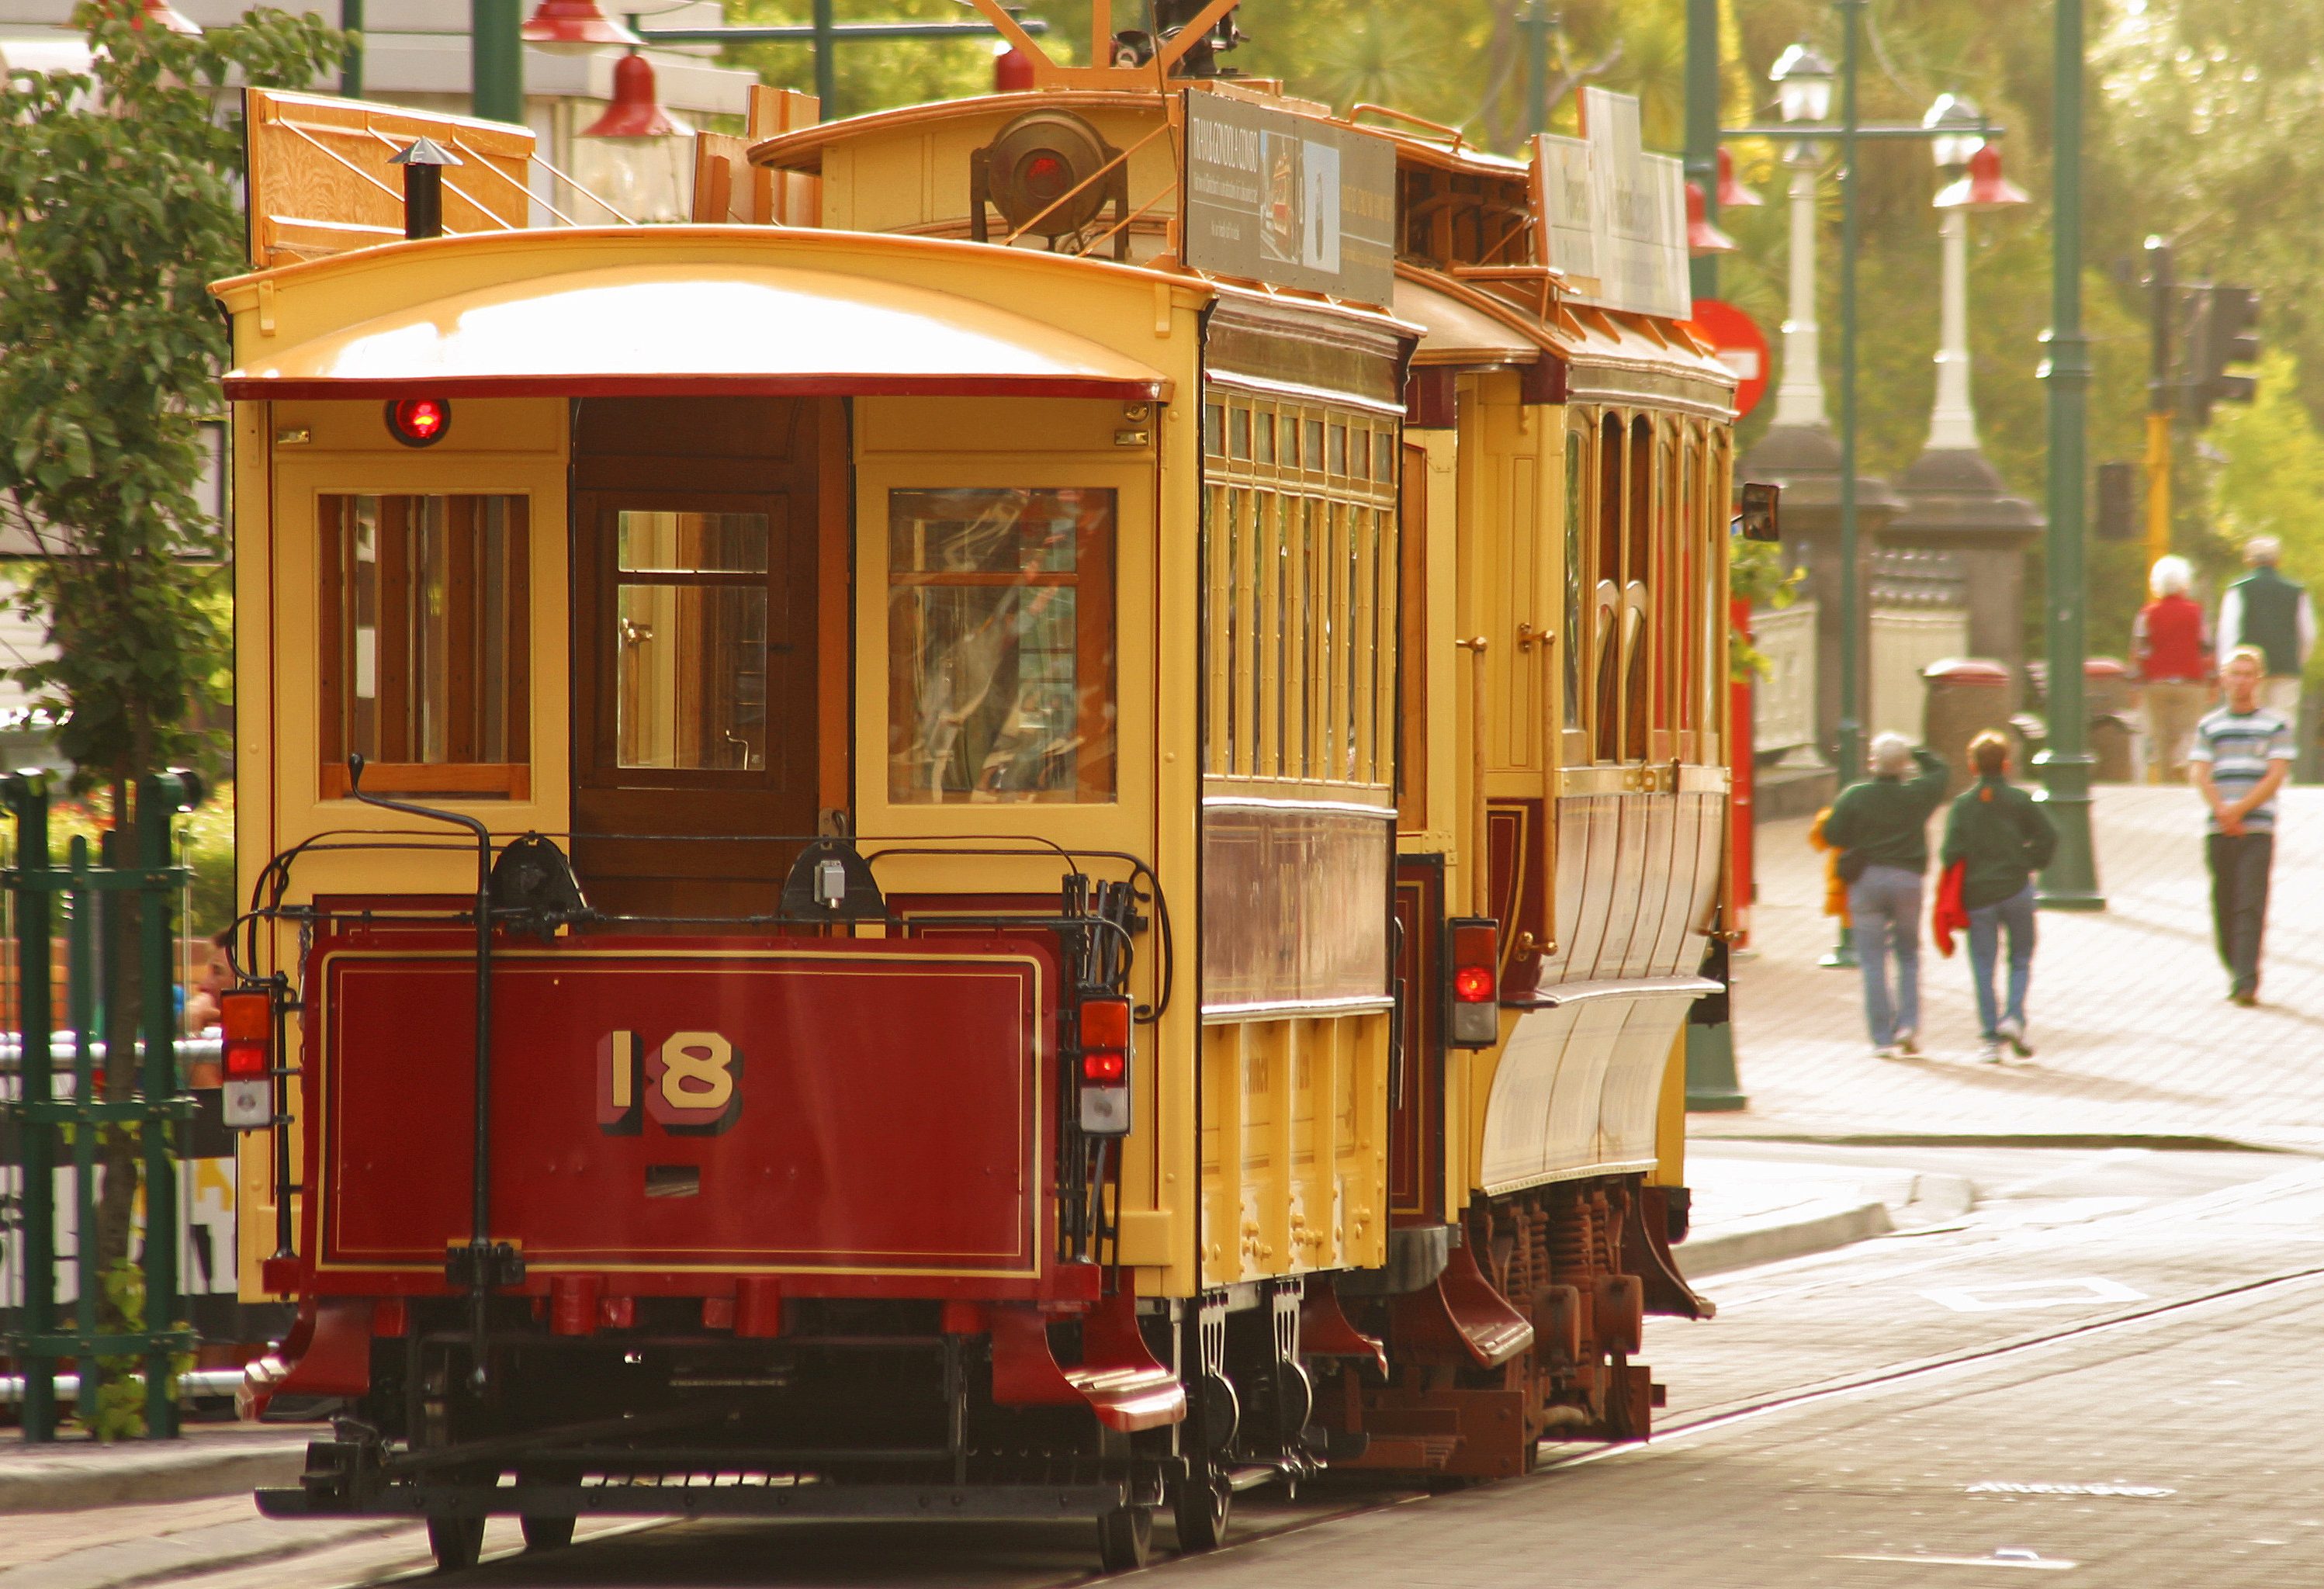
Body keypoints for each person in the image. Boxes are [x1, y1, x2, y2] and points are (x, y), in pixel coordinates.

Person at [1823, 733, 1949, 1058]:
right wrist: (1914, 749)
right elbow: (1941, 770)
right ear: (1904, 765)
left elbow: (1832, 833)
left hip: (1866, 880)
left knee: (1873, 962)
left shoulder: (1855, 795)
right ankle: (1907, 1024)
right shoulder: (1917, 794)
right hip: (1907, 881)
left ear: (1872, 762)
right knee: (1908, 954)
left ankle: (1882, 1038)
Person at [1939, 731, 2057, 1062]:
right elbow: (2048, 836)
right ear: (2006, 764)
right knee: (2020, 958)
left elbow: (1950, 853)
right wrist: (2029, 862)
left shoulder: (1963, 806)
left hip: (1979, 895)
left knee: (1983, 965)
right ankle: (2014, 1017)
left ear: (1972, 766)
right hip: (2017, 889)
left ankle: (1991, 1038)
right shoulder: (2020, 800)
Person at [2189, 646, 2295, 1006]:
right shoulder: (2211, 725)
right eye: (2235, 673)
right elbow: (2200, 772)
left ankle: (2246, 979)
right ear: (2223, 679)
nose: (2241, 681)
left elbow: (2275, 774)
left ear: (2259, 680)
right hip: (2219, 829)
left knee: (2250, 902)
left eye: (2248, 674)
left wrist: (2241, 810)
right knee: (2224, 900)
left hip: (2257, 829)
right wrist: (2222, 811)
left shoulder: (2275, 725)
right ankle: (2233, 963)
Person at [2216, 535, 2312, 722]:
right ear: (2278, 561)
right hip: (2285, 668)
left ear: (2249, 560)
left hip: (2247, 670)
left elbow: (2228, 632)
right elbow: (2307, 633)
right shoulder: (2297, 591)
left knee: (2248, 720)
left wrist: (2229, 668)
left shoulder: (2239, 589)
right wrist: (2295, 660)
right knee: (2284, 722)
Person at [2132, 553, 2211, 782]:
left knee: (2161, 736)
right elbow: (2205, 646)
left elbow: (2140, 648)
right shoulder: (2196, 612)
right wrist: (2212, 679)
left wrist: (2136, 683)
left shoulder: (2148, 613)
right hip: (2191, 681)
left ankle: (2167, 782)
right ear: (2185, 582)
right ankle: (2184, 764)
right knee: (2189, 731)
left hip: (2155, 682)